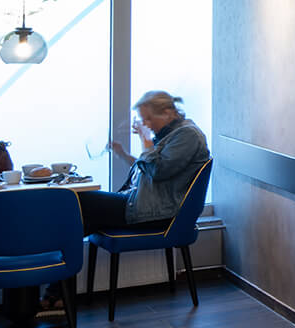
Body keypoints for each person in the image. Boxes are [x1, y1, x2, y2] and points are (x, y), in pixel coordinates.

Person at [79, 91, 210, 234]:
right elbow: (149, 168)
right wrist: (123, 154)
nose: (146, 125)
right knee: (84, 219)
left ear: (167, 113)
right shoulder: (172, 134)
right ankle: (68, 247)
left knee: (80, 200)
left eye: (148, 119)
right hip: (148, 205)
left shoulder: (187, 135)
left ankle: (66, 247)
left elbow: (158, 171)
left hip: (160, 213)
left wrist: (146, 141)